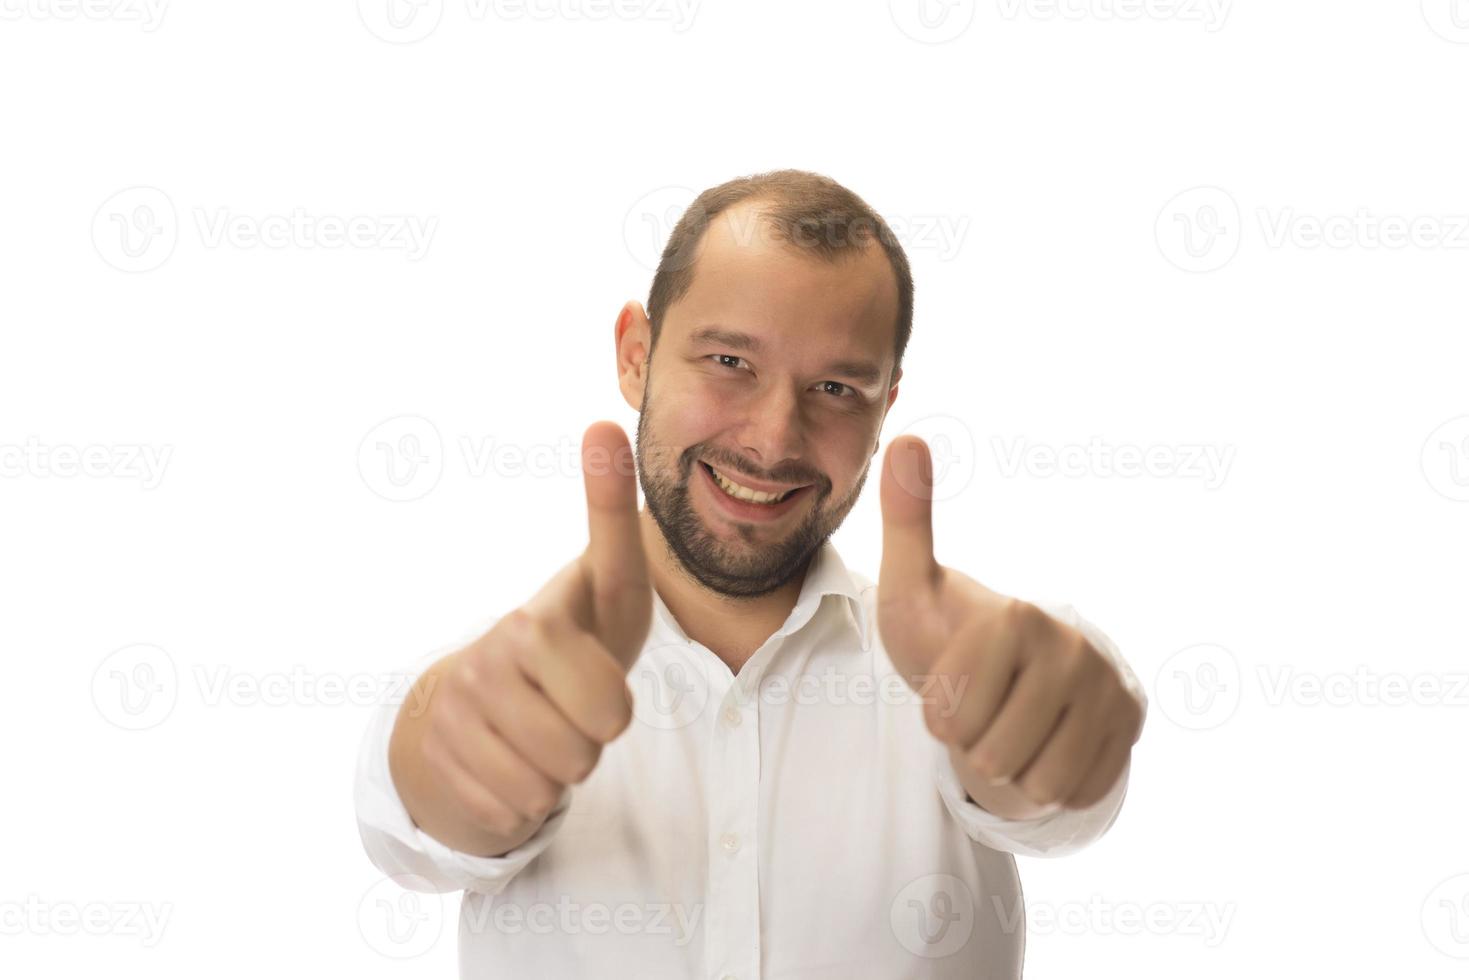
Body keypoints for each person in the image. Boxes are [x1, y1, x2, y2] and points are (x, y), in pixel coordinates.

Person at [353, 169, 1147, 978]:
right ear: (636, 355)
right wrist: (452, 759)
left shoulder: (957, 673)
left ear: (885, 408)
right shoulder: (505, 679)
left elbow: (1049, 800)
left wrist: (1043, 737)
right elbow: (416, 821)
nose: (772, 441)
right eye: (729, 359)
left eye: (836, 388)